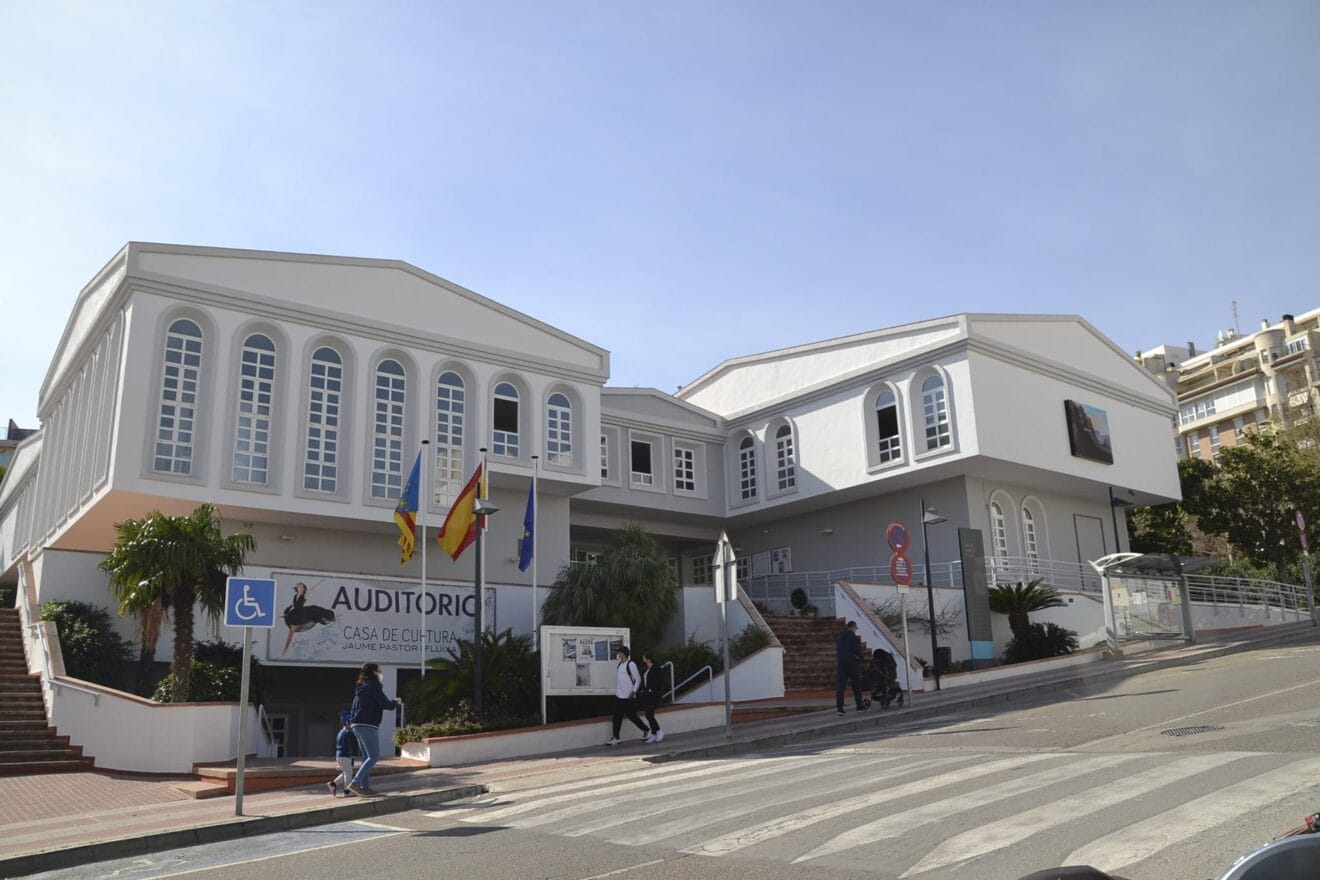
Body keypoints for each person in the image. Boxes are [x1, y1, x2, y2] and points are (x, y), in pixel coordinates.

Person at [346, 662, 403, 797]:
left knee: (367, 757)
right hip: (368, 725)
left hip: (357, 725)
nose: (380, 673)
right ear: (373, 673)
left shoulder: (361, 688)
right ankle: (355, 782)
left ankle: (364, 788)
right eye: (379, 671)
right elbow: (385, 704)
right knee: (374, 756)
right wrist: (395, 702)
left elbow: (354, 708)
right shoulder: (374, 686)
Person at [607, 646, 648, 746]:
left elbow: (638, 678)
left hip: (628, 697)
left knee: (632, 716)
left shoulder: (631, 664)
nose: (618, 654)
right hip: (619, 696)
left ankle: (646, 730)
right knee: (616, 717)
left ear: (623, 653)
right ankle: (616, 738)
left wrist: (633, 691)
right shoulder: (620, 665)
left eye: (619, 652)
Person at [282, 582, 336, 655]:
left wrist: (319, 582)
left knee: (317, 611)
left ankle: (285, 649)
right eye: (298, 586)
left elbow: (311, 590)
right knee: (290, 633)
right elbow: (295, 604)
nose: (298, 586)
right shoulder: (295, 595)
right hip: (295, 614)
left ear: (303, 588)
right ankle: (285, 649)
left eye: (300, 586)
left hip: (302, 614)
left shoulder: (304, 595)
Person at [835, 620, 867, 716]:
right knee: (856, 685)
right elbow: (857, 652)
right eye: (856, 628)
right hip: (852, 664)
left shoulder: (840, 638)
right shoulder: (854, 638)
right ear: (853, 627)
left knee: (841, 687)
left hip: (841, 664)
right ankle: (859, 706)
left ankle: (840, 708)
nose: (856, 630)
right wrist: (862, 660)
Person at [327, 710, 357, 797]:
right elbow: (351, 746)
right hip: (345, 755)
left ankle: (333, 784)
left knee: (345, 772)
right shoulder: (349, 733)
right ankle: (347, 791)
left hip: (339, 755)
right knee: (348, 773)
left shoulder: (340, 732)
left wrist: (338, 762)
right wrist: (352, 757)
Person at [638, 652, 665, 744]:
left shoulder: (656, 669)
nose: (643, 658)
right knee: (648, 715)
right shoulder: (647, 669)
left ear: (648, 658)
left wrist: (652, 690)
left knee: (649, 714)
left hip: (653, 695)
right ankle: (654, 734)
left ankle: (659, 731)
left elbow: (659, 681)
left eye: (644, 657)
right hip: (647, 695)